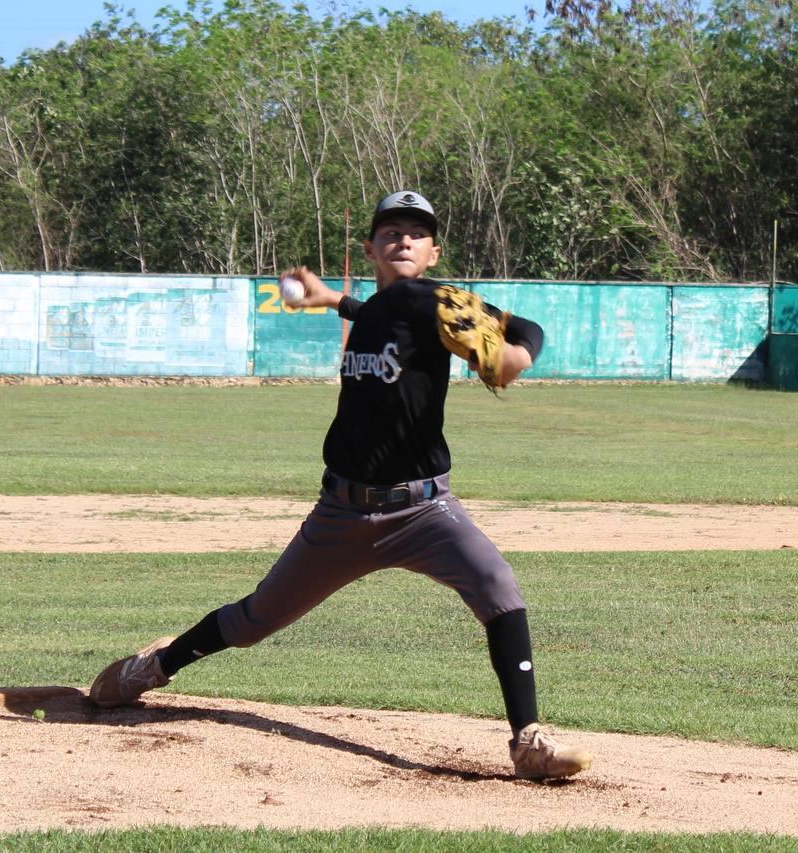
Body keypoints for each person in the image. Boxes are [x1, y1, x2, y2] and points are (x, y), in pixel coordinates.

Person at [89, 190, 592, 781]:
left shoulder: (439, 301)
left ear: (433, 252)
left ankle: (528, 741)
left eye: (416, 232)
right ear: (371, 246)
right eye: (391, 231)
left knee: (499, 588)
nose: (403, 239)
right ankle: (156, 665)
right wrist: (335, 300)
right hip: (343, 515)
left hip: (425, 511)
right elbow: (380, 313)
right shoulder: (380, 307)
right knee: (255, 620)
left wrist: (517, 356)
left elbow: (522, 332)